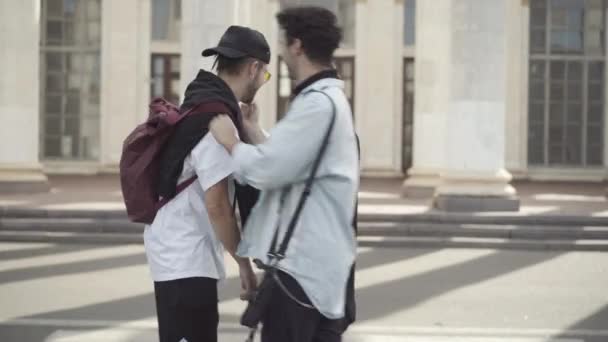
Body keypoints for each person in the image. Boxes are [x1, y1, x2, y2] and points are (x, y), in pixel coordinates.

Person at [210, 6, 358, 342]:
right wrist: (253, 130)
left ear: (296, 46)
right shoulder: (329, 100)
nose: (278, 53)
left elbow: (267, 170)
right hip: (319, 272)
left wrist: (232, 142)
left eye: (281, 43)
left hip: (302, 272)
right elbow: (295, 163)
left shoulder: (316, 104)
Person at [143, 25, 272, 342]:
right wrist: (244, 264)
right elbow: (218, 207)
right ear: (253, 68)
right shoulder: (215, 120)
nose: (262, 83)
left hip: (177, 255)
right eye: (265, 76)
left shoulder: (199, 104)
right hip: (186, 260)